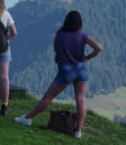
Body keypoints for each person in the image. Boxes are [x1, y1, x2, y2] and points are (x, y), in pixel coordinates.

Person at [15, 11, 102, 139]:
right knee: (81, 99)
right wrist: (87, 57)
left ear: (66, 21)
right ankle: (78, 131)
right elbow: (99, 48)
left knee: (47, 98)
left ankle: (28, 118)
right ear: (79, 23)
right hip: (81, 70)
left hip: (66, 71)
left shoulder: (60, 34)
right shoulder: (83, 36)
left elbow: (55, 48)